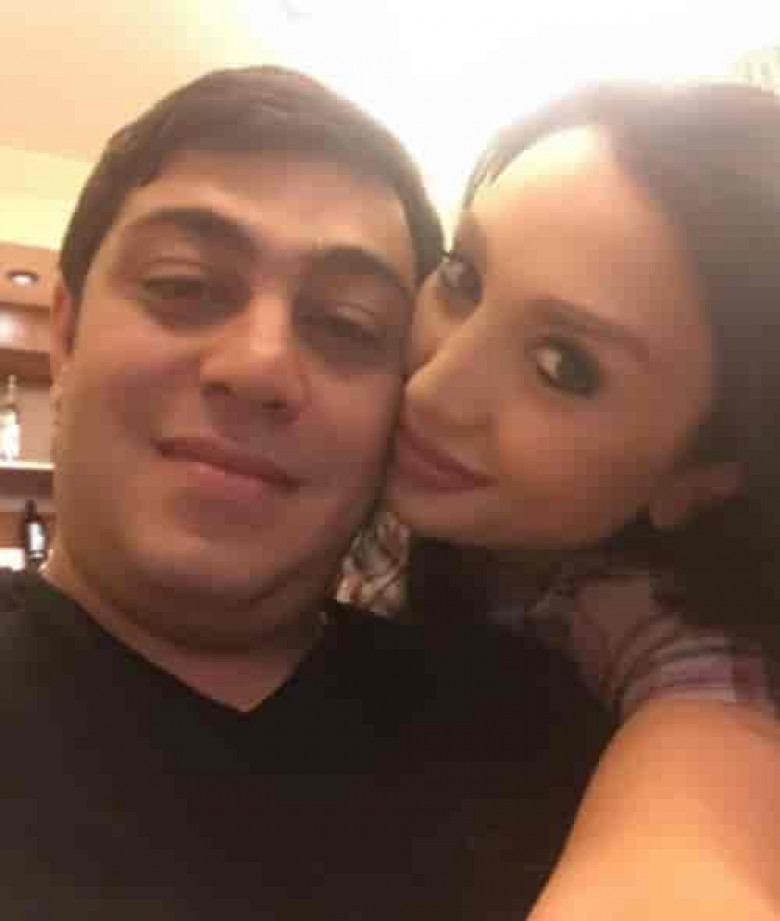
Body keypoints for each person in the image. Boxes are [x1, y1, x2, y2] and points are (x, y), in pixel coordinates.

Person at [0, 66, 614, 920]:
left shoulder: (554, 735)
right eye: (183, 285)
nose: (260, 366)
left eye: (346, 325)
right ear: (66, 335)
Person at [341, 82, 780, 918]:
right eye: (462, 278)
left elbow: (691, 851)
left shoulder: (653, 622)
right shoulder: (352, 430)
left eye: (563, 367)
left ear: (698, 475)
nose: (431, 389)